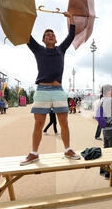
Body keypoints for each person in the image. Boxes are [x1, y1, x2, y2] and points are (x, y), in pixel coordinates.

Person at [20, 11, 80, 166]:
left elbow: (71, 35)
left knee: (64, 123)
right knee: (38, 124)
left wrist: (71, 18)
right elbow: (26, 34)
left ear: (56, 38)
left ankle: (68, 149)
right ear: (43, 39)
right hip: (42, 91)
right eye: (47, 34)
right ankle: (34, 153)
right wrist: (29, 17)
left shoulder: (61, 49)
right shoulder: (38, 49)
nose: (50, 35)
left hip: (58, 90)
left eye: (52, 34)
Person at [97, 84, 112, 179]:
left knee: (106, 149)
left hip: (104, 129)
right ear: (109, 91)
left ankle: (104, 168)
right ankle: (110, 172)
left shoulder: (101, 100)